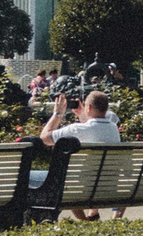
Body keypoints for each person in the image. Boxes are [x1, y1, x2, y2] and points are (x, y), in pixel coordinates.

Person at [43, 90, 126, 219]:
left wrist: (57, 114)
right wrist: (84, 115)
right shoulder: (113, 129)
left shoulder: (76, 129)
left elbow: (45, 138)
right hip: (109, 187)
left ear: (89, 107)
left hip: (79, 188)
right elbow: (94, 130)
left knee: (39, 177)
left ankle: (84, 221)